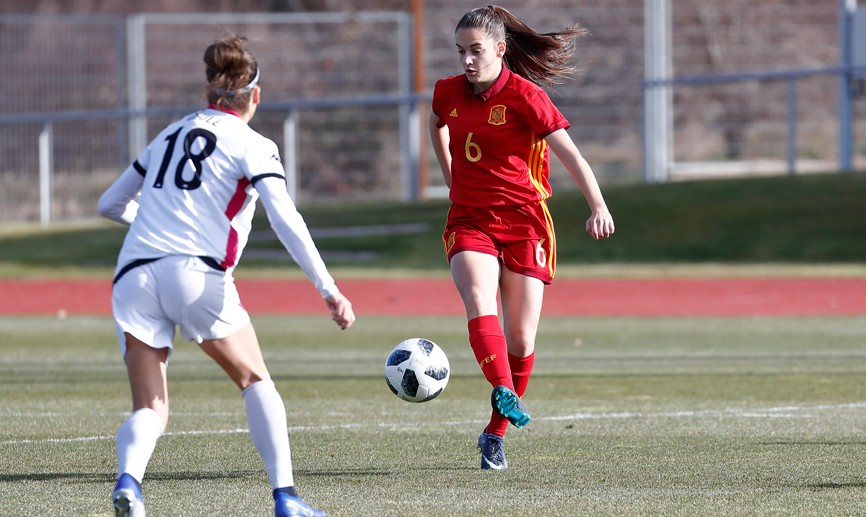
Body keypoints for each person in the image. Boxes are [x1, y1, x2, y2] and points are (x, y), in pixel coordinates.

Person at [98, 33, 354, 517]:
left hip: (134, 274)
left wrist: (158, 222)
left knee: (150, 407)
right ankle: (286, 499)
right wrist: (329, 290)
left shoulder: (169, 133)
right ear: (255, 95)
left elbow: (108, 203)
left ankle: (130, 484)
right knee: (256, 380)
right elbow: (286, 220)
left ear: (207, 94)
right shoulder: (253, 144)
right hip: (196, 274)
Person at [428, 6, 615, 470]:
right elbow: (438, 127)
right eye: (460, 52)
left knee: (522, 339)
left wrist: (598, 205)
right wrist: (451, 175)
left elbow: (571, 155)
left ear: (500, 48)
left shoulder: (526, 96)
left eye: (476, 51)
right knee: (477, 295)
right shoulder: (447, 92)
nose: (467, 61)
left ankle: (495, 433)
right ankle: (503, 388)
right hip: (470, 217)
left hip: (525, 221)